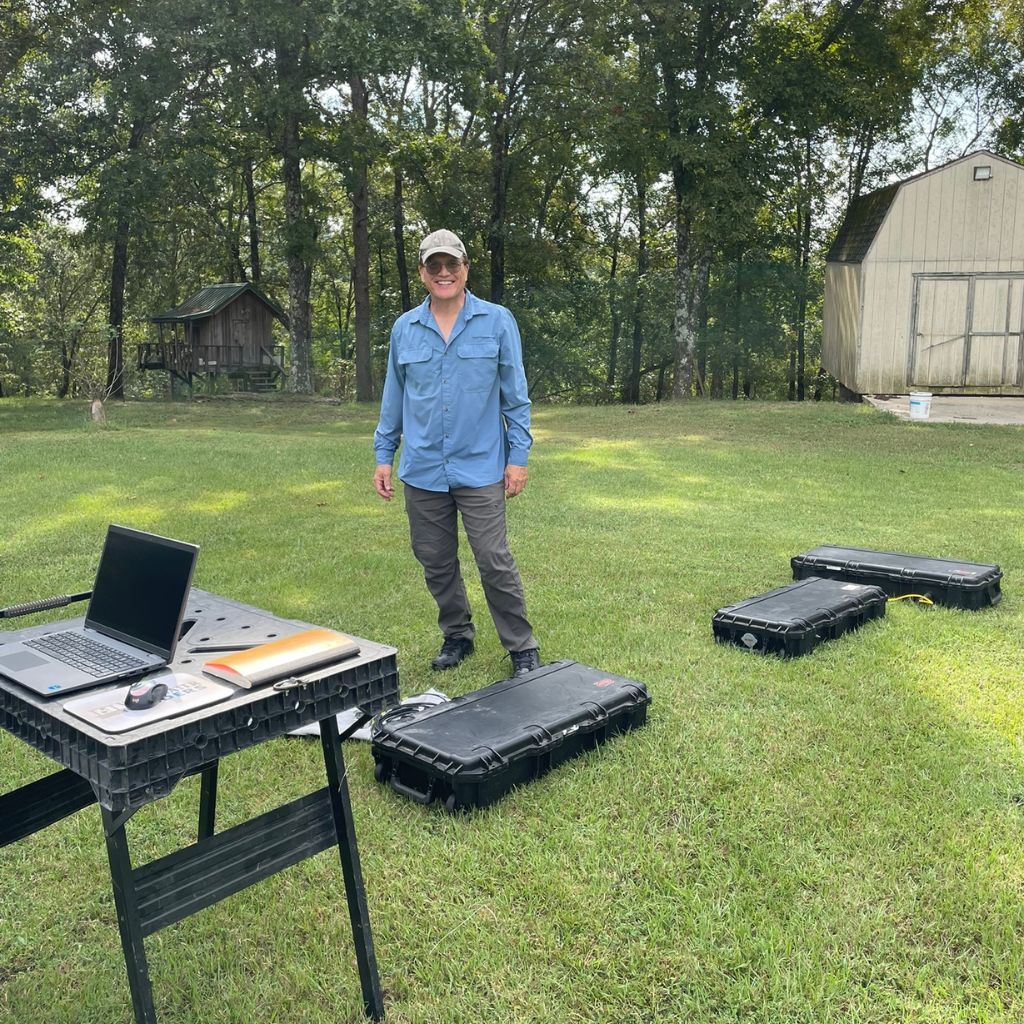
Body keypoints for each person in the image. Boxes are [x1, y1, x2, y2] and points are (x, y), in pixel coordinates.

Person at [373, 229, 540, 677]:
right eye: (434, 266)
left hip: (481, 464)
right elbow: (394, 397)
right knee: (434, 559)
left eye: (452, 264)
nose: (444, 273)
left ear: (466, 268)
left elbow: (515, 396)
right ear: (424, 273)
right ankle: (457, 634)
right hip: (423, 468)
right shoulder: (404, 329)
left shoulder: (497, 321)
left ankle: (521, 646)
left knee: (493, 557)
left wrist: (518, 456)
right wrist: (384, 454)